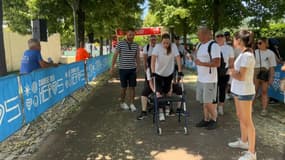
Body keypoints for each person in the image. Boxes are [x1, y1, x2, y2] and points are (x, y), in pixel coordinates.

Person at [228, 30, 256, 160]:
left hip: (245, 92)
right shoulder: (243, 54)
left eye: (234, 39)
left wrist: (231, 72)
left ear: (239, 40)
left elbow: (241, 76)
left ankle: (252, 152)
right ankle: (244, 142)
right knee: (241, 117)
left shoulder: (247, 56)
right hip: (238, 91)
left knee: (247, 121)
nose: (232, 41)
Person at [151, 33, 183, 121]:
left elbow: (178, 58)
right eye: (164, 43)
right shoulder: (157, 47)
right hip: (158, 73)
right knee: (159, 93)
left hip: (169, 73)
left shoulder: (173, 47)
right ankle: (161, 112)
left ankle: (167, 107)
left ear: (170, 42)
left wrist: (180, 70)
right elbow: (153, 60)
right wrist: (153, 72)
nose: (166, 45)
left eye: (167, 43)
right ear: (161, 41)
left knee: (168, 92)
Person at [194, 26, 221, 130]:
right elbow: (197, 57)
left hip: (209, 79)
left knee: (208, 101)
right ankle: (206, 119)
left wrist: (202, 63)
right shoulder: (200, 45)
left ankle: (214, 119)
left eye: (199, 34)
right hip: (201, 78)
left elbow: (217, 63)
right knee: (203, 101)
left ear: (206, 34)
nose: (197, 36)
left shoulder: (214, 46)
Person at [110, 29, 140, 112]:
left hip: (132, 69)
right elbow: (115, 55)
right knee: (124, 87)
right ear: (126, 34)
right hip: (123, 69)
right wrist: (112, 67)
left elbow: (137, 56)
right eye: (130, 34)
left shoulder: (136, 45)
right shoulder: (120, 44)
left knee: (132, 87)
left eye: (133, 35)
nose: (131, 36)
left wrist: (138, 66)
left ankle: (132, 104)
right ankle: (122, 102)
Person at [253, 37, 277, 116]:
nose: (258, 45)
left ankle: (264, 109)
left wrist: (271, 77)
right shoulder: (254, 52)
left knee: (264, 91)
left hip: (265, 73)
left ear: (265, 43)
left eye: (260, 43)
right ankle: (250, 107)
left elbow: (272, 67)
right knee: (254, 91)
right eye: (257, 43)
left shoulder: (270, 53)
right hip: (255, 72)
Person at [214, 31, 234, 115]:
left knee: (222, 89)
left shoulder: (229, 48)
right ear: (215, 38)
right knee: (214, 90)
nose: (219, 38)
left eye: (221, 36)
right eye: (217, 36)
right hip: (214, 72)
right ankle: (214, 107)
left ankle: (221, 106)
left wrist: (229, 72)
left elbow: (231, 61)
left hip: (224, 72)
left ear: (224, 37)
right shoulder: (213, 47)